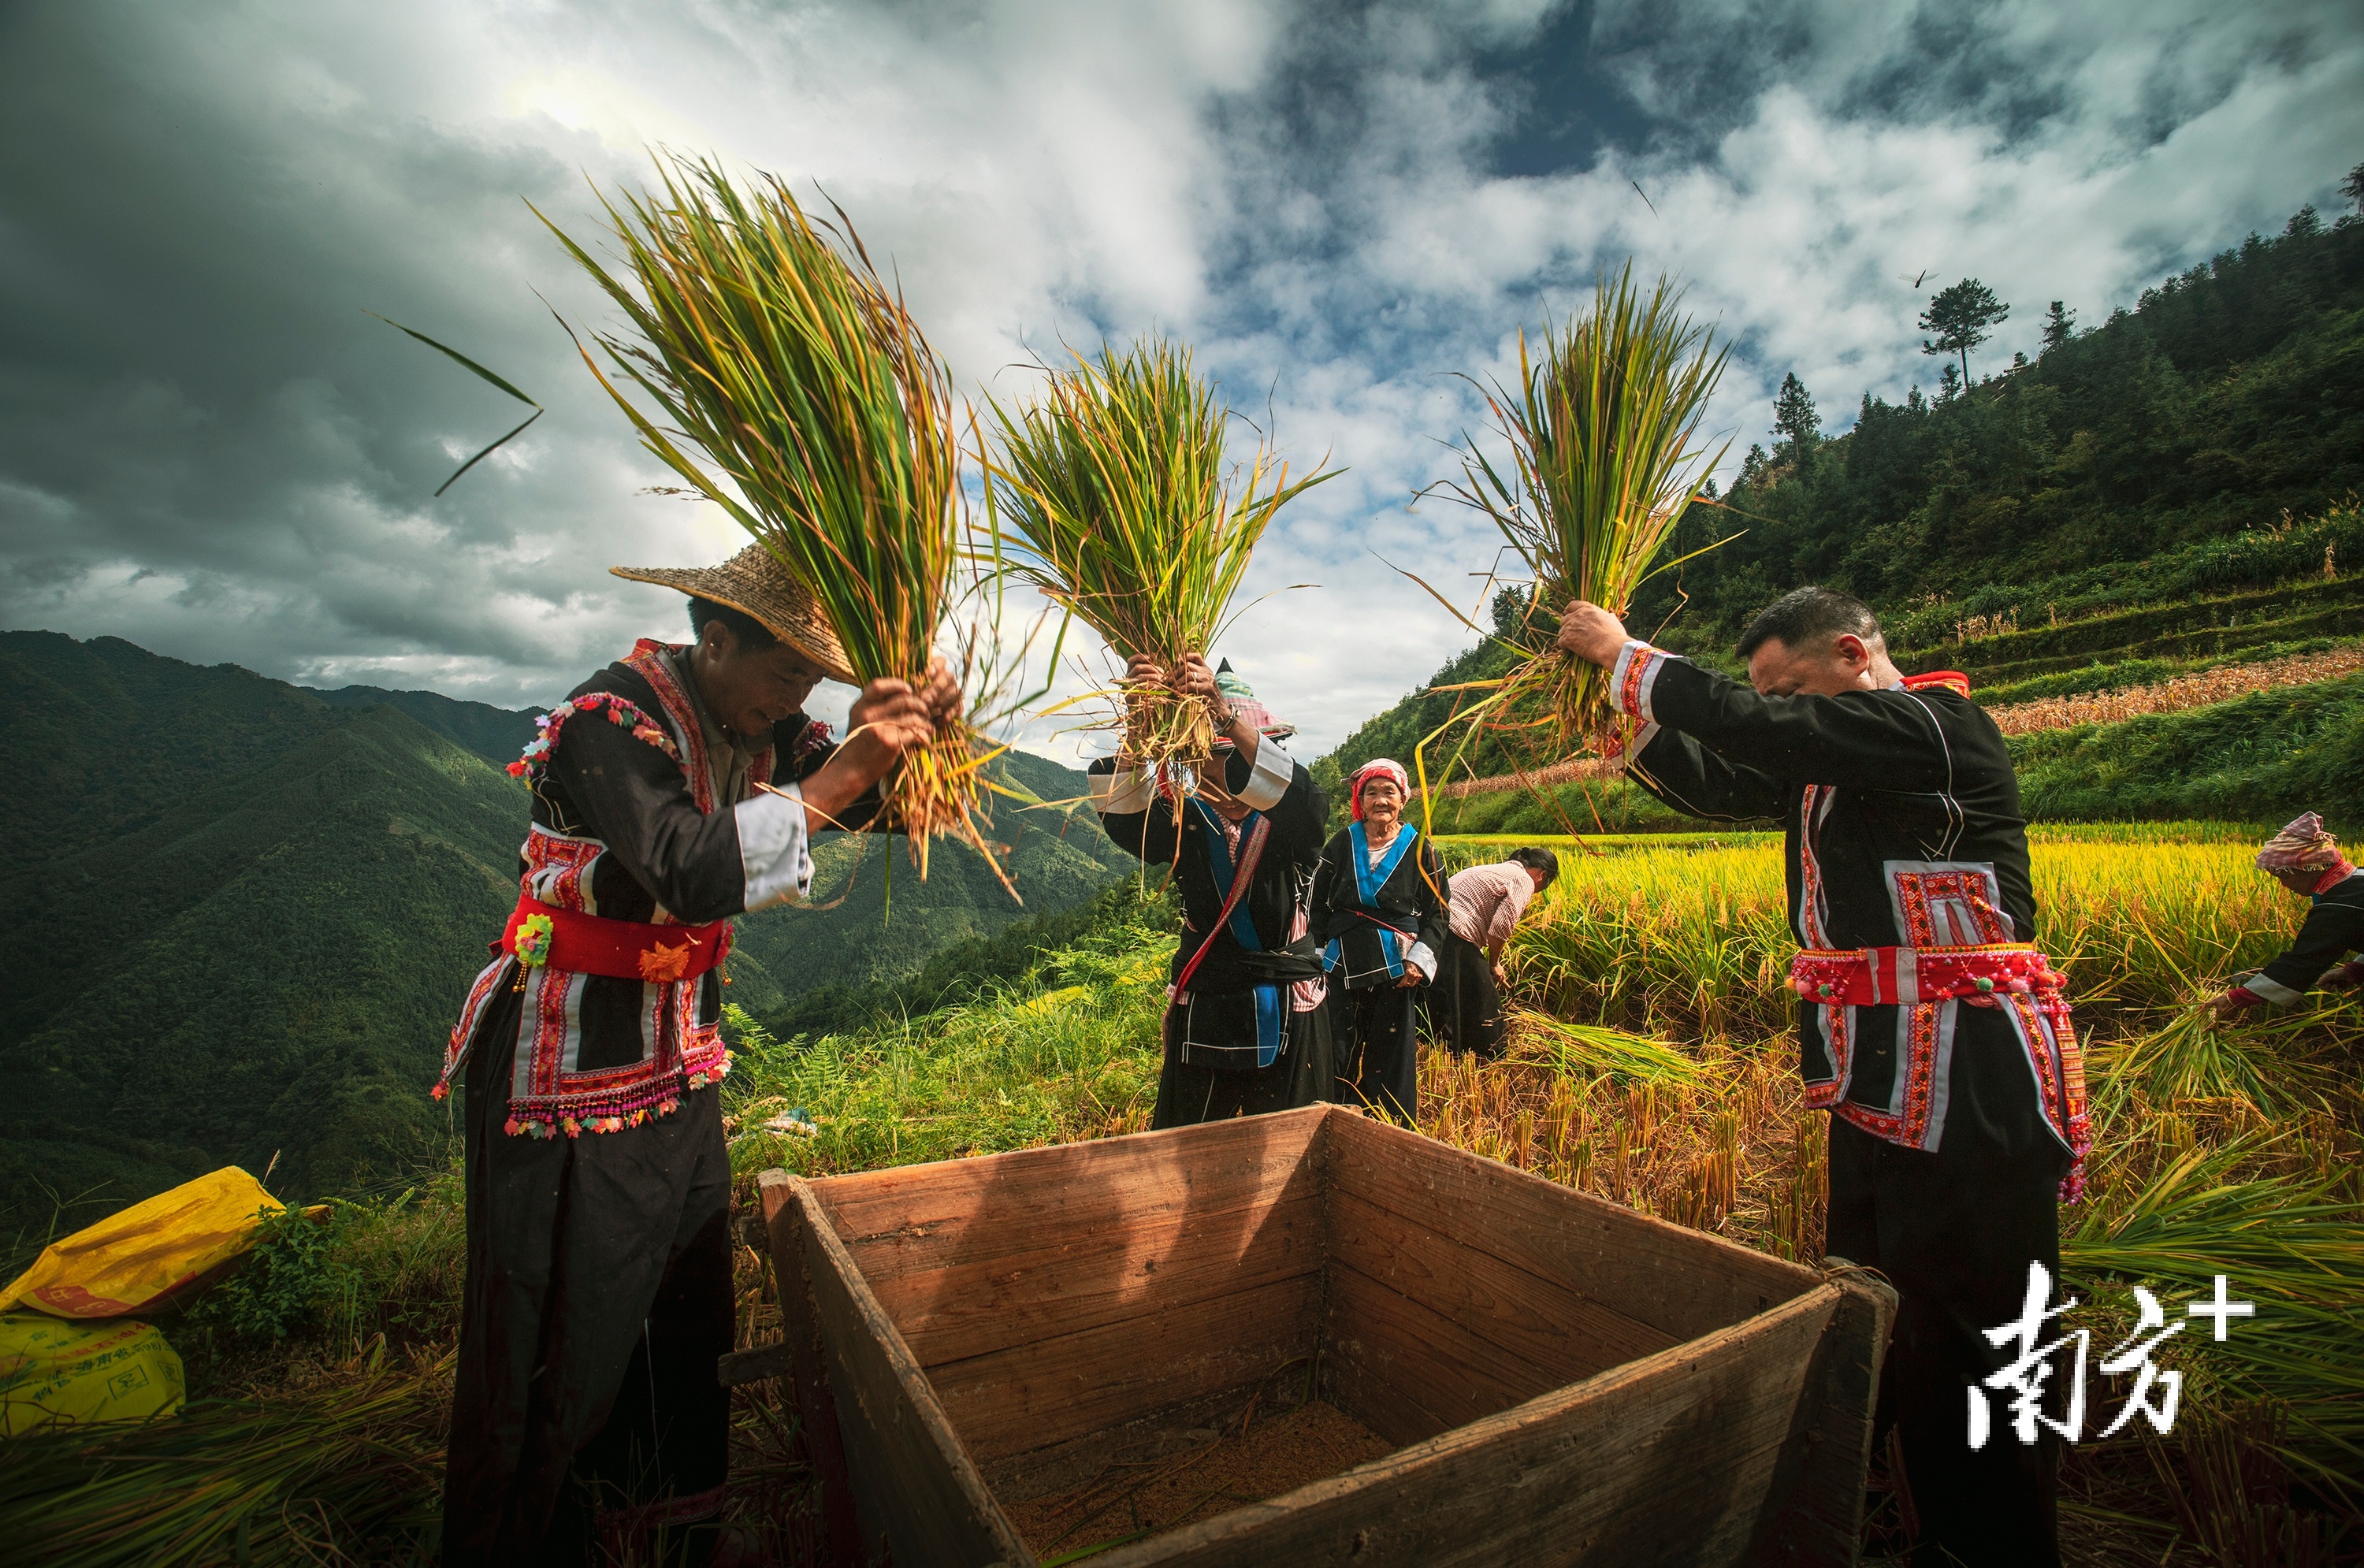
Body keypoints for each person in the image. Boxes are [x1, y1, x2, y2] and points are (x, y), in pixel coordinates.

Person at [435, 544, 959, 1566]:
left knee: (679, 1308)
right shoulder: (607, 723)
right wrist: (849, 762)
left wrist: (915, 745)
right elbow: (688, 867)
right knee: (559, 1332)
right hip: (567, 1068)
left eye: (813, 682)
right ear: (715, 640)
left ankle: (659, 1531)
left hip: (680, 1060)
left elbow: (894, 808)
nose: (796, 701)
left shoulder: (762, 721)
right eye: (784, 674)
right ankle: (526, 1536)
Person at [1556, 585, 2088, 1568]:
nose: (1784, 714)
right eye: (1774, 697)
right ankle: (1891, 1507)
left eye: (1791, 691)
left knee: (1979, 1328)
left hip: (1971, 1082)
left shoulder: (1933, 726)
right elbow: (1728, 777)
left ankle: (1994, 1546)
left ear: (1853, 654)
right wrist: (1617, 720)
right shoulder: (1833, 766)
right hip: (1878, 1080)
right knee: (1878, 1299)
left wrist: (1630, 655)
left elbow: (1760, 730)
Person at [1088, 656, 1334, 1126]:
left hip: (1287, 997)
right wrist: (1140, 727)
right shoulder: (1184, 820)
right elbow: (1124, 822)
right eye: (1205, 754)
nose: (1217, 768)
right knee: (1188, 1150)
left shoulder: (1290, 817)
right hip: (1209, 995)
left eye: (1230, 754)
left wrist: (1221, 713)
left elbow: (1305, 804)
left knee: (1291, 1145)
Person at [1312, 759, 1451, 1122]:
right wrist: (1317, 952)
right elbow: (1316, 901)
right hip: (1341, 960)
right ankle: (1329, 1117)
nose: (1380, 801)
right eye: (1370, 793)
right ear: (1361, 800)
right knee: (1335, 1045)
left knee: (1390, 1050)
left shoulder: (1422, 848)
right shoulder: (1342, 843)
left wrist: (1420, 959)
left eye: (1389, 792)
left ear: (1403, 799)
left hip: (1395, 964)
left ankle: (1387, 1125)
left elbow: (1438, 912)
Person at [2210, 812, 2364, 1018]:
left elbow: (2303, 962)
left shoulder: (2339, 906)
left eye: (2283, 874)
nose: (2284, 884)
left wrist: (2235, 999)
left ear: (2308, 867)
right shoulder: (2355, 883)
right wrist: (2355, 970)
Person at [1424, 846, 1558, 1057]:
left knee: (1449, 994)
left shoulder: (1494, 869)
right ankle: (1492, 1054)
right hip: (1455, 930)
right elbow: (1501, 927)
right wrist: (1494, 963)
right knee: (1486, 1001)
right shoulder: (1523, 879)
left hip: (1432, 930)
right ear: (1542, 875)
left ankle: (1445, 1049)